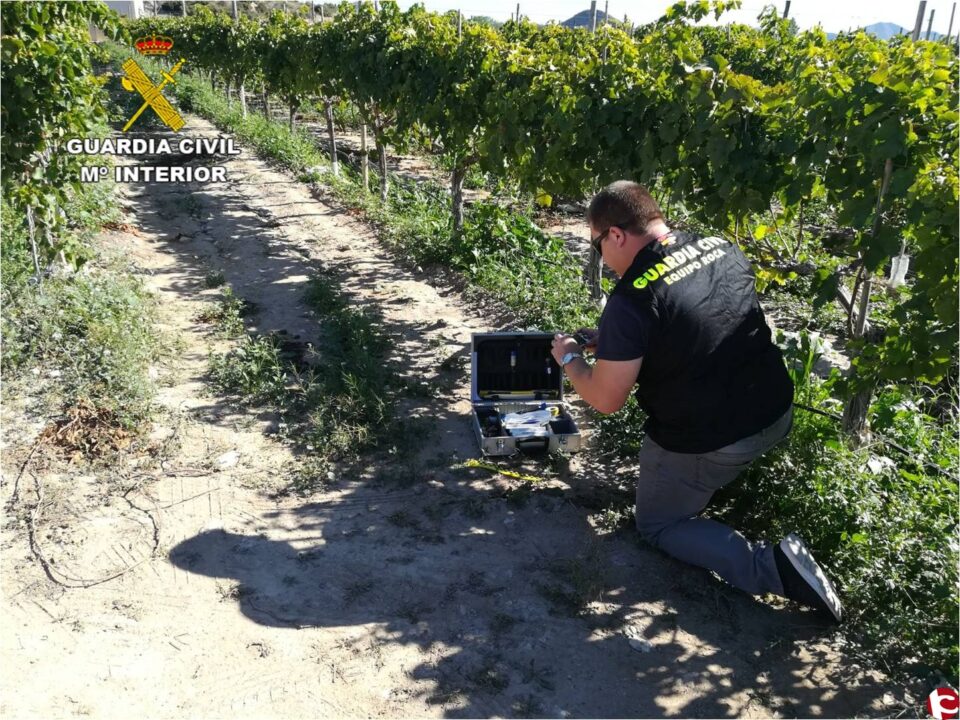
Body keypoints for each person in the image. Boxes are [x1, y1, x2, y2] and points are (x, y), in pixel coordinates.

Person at [550, 180, 842, 622]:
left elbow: (606, 399)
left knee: (658, 525)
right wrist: (611, 342)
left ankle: (773, 568)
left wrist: (569, 358)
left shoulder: (631, 299)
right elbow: (697, 320)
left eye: (596, 246)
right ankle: (709, 484)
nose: (602, 260)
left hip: (716, 437)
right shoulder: (719, 246)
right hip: (775, 410)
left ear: (615, 234)